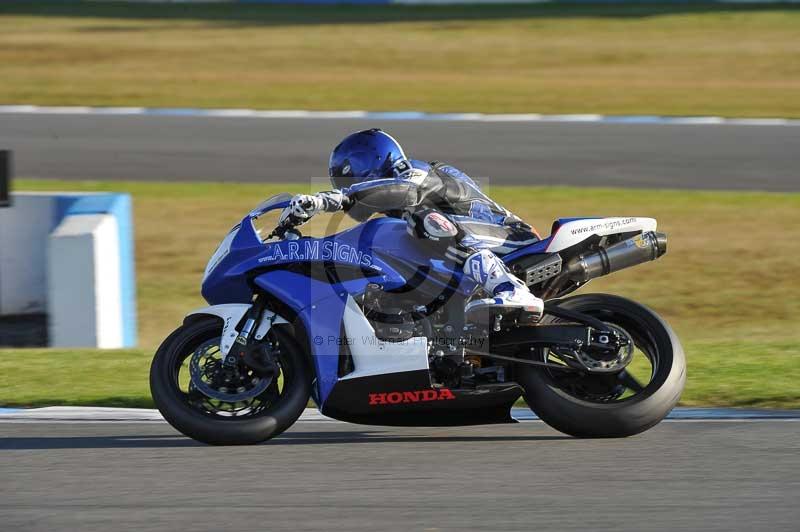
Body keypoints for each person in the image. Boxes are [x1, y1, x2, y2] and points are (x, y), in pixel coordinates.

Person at [279, 128, 544, 319]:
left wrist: (330, 200)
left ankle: (510, 289)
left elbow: (398, 189)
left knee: (427, 223)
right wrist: (306, 249)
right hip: (476, 253)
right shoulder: (398, 213)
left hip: (512, 239)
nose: (349, 187)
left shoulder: (414, 172)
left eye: (351, 179)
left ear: (371, 162)